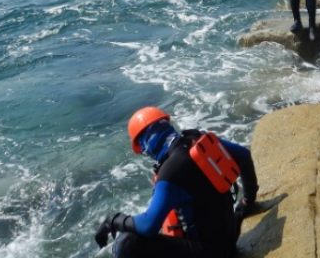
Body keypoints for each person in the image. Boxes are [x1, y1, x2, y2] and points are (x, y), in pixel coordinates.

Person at [94, 106, 258, 258]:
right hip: (228, 237)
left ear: (146, 143)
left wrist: (113, 221)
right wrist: (246, 202)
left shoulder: (171, 170)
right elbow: (243, 155)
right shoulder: (199, 141)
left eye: (142, 148)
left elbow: (148, 226)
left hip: (209, 252)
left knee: (126, 242)